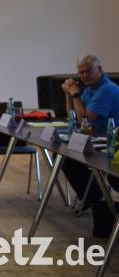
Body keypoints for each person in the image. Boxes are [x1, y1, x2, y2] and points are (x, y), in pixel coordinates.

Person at [59, 55, 119, 235]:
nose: (84, 76)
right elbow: (73, 116)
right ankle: (93, 195)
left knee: (72, 157)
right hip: (95, 140)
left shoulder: (106, 89)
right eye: (81, 72)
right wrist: (69, 95)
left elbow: (85, 119)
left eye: (88, 71)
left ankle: (95, 195)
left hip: (109, 143)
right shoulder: (91, 89)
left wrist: (75, 93)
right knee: (64, 155)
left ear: (99, 70)